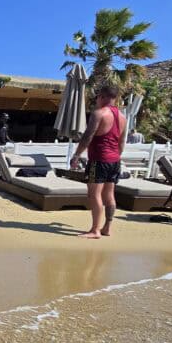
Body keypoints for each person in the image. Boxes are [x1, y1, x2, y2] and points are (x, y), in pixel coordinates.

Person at [69, 85, 126, 238]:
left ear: (101, 96)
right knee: (110, 195)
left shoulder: (99, 114)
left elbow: (88, 135)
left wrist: (76, 155)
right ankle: (107, 228)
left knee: (94, 195)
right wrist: (116, 157)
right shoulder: (122, 117)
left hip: (99, 159)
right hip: (115, 160)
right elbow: (122, 142)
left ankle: (95, 230)